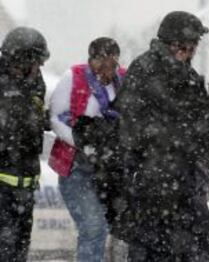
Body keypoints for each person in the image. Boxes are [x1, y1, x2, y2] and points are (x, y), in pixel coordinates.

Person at [114, 10, 209, 262]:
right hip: (152, 184)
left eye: (194, 47)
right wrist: (179, 134)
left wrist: (208, 139)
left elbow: (204, 128)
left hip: (188, 183)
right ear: (173, 44)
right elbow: (131, 129)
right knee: (153, 250)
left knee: (197, 247)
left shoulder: (191, 77)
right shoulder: (144, 70)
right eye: (188, 46)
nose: (191, 52)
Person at [48, 37, 126, 262]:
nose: (107, 70)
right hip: (77, 166)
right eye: (101, 63)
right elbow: (56, 118)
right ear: (91, 60)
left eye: (112, 64)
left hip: (109, 168)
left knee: (115, 230)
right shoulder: (74, 77)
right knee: (93, 226)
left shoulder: (122, 80)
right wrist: (83, 142)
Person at [0, 26, 50, 262]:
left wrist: (44, 120)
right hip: (2, 186)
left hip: (27, 184)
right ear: (21, 59)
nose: (39, 67)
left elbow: (33, 120)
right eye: (36, 61)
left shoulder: (36, 83)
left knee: (19, 251)